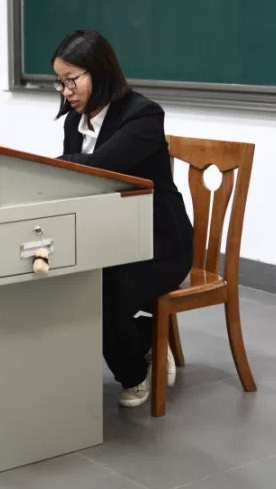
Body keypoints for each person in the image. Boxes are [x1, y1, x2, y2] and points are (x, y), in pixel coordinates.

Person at [50, 29, 192, 407]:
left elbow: (101, 169)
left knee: (102, 291)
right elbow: (76, 182)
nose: (66, 91)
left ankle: (134, 372)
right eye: (60, 82)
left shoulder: (143, 114)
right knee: (64, 280)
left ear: (99, 71)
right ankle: (145, 334)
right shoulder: (73, 122)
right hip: (110, 237)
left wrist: (58, 164)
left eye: (71, 80)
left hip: (159, 244)